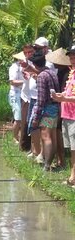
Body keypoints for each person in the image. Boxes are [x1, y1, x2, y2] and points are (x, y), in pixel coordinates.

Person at [28, 51, 60, 171]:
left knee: (46, 136)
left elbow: (41, 100)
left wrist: (36, 118)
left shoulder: (42, 76)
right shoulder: (51, 73)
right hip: (55, 107)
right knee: (52, 136)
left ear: (35, 65)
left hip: (47, 108)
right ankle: (50, 162)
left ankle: (47, 165)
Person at [51, 46, 75, 185]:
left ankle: (73, 178)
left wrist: (64, 99)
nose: (72, 60)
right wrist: (61, 96)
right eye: (71, 57)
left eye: (74, 57)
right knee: (72, 149)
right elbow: (69, 93)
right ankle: (73, 176)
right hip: (68, 115)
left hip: (74, 117)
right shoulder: (71, 74)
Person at [18, 44, 34, 152]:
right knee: (24, 123)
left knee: (33, 123)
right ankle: (24, 147)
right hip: (26, 96)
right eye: (26, 53)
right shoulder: (23, 63)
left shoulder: (37, 62)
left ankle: (33, 148)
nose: (28, 54)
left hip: (35, 96)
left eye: (30, 52)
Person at [8, 51, 24, 144]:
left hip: (24, 94)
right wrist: (25, 82)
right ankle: (15, 137)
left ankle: (21, 136)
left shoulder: (27, 66)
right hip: (15, 93)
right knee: (18, 118)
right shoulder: (14, 67)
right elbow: (12, 81)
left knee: (23, 118)